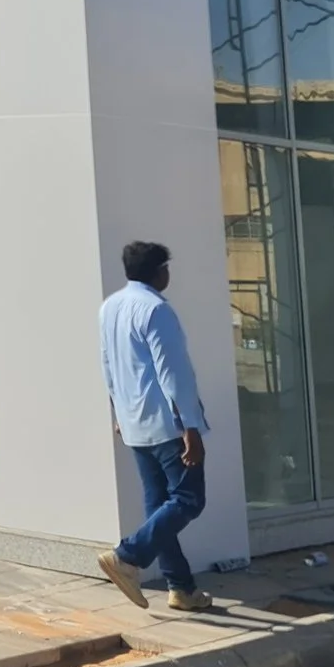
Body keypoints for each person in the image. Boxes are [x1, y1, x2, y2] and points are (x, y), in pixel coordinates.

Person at [97, 239, 213, 612]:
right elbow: (173, 372)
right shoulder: (156, 309)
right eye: (166, 268)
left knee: (160, 506)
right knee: (189, 500)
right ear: (159, 272)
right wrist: (190, 426)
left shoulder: (110, 307)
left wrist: (118, 414)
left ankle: (181, 588)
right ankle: (127, 557)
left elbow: (108, 366)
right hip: (167, 424)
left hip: (134, 422)